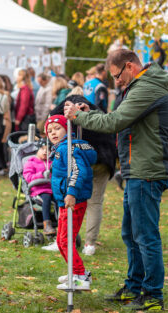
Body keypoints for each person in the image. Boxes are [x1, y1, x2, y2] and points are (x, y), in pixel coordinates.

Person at [64, 49, 168, 311]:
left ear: (129, 66)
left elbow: (116, 120)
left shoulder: (147, 87)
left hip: (146, 171)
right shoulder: (140, 85)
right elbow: (121, 117)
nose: (116, 82)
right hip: (135, 169)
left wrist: (79, 117)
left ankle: (153, 294)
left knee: (145, 235)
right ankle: (134, 287)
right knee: (130, 233)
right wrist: (91, 111)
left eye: (117, 76)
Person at [49, 94, 117, 255]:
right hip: (102, 160)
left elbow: (53, 118)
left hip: (85, 161)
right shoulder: (96, 111)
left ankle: (68, 239)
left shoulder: (69, 112)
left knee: (70, 199)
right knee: (94, 202)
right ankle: (89, 243)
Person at [45, 114, 96, 291]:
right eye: (49, 131)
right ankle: (74, 271)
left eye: (57, 128)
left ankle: (80, 274)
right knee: (61, 241)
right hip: (64, 201)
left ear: (67, 129)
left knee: (65, 241)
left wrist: (72, 193)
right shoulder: (59, 149)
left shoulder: (68, 148)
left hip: (73, 201)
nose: (53, 133)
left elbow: (78, 170)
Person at [23, 140, 55, 235]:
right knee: (46, 199)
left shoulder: (51, 163)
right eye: (42, 149)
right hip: (38, 191)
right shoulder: (31, 162)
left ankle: (63, 223)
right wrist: (41, 174)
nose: (45, 151)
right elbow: (28, 177)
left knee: (60, 200)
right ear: (37, 150)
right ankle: (47, 224)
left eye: (48, 150)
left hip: (51, 189)